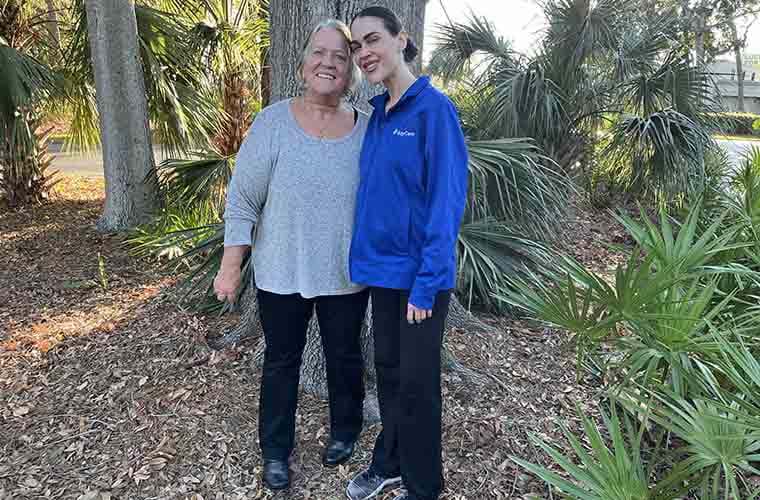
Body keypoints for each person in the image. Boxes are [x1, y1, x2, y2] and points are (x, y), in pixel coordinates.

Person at [213, 19, 369, 492]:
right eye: (319, 53)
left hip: (346, 274)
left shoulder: (368, 127)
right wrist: (230, 264)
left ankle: (346, 431)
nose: (328, 63)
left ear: (350, 71)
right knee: (282, 361)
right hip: (281, 271)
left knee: (345, 357)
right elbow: (242, 199)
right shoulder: (272, 123)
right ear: (302, 65)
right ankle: (276, 451)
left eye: (340, 57)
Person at [345, 6, 469, 500]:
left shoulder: (434, 111)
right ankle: (391, 462)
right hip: (382, 274)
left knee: (417, 386)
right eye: (356, 47)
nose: (364, 53)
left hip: (421, 280)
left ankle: (424, 487)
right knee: (391, 374)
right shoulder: (377, 114)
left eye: (372, 40)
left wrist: (427, 282)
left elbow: (445, 202)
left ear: (402, 40)